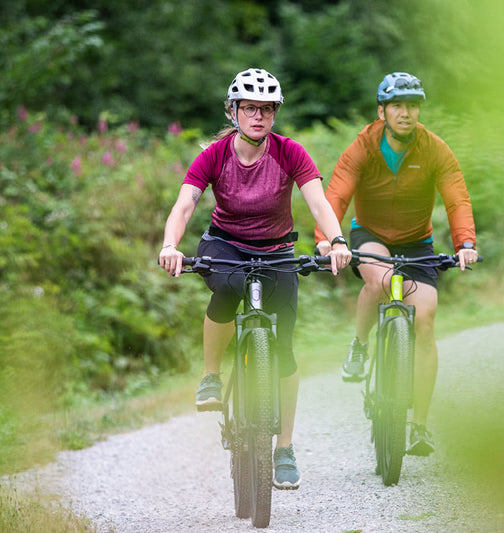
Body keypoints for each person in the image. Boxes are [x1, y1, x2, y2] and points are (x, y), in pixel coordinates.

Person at [159, 68, 351, 489]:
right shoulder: (214, 156)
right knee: (227, 289)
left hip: (277, 249)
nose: (258, 116)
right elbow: (185, 205)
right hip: (225, 244)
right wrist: (171, 245)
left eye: (266, 109)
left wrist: (335, 240)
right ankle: (212, 375)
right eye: (249, 108)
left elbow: (317, 201)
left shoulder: (290, 153)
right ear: (233, 111)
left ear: (275, 114)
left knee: (284, 350)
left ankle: (284, 447)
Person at [315, 72, 478, 457]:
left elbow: (456, 199)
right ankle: (359, 345)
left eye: (412, 105)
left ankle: (419, 425)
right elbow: (336, 195)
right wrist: (327, 241)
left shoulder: (435, 149)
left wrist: (465, 243)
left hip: (417, 243)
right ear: (382, 111)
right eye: (398, 106)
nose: (406, 113)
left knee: (425, 319)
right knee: (381, 281)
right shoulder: (363, 148)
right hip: (369, 235)